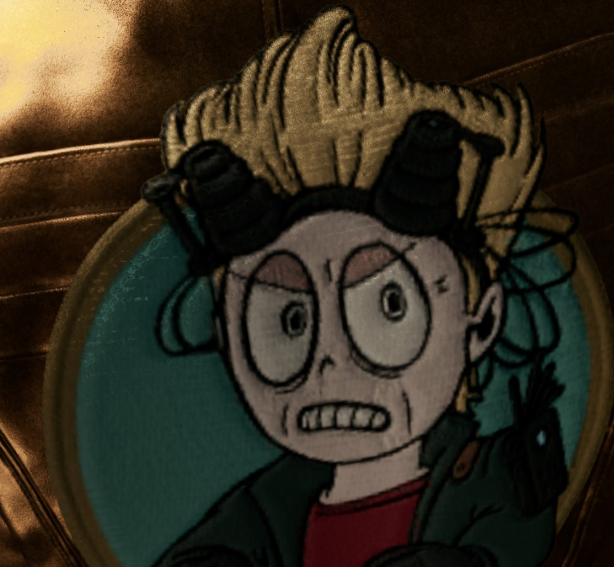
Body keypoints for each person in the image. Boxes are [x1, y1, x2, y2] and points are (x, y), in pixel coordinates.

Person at [143, 6, 573, 567]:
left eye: (390, 306)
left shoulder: (497, 476)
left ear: (481, 322)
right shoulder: (268, 504)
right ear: (229, 339)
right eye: (289, 321)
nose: (330, 361)